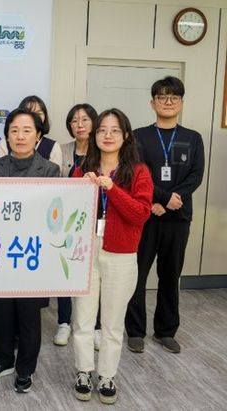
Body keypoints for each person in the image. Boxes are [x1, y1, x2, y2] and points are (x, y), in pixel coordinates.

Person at [72, 108, 153, 404]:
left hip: (121, 253)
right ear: (94, 135)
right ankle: (83, 371)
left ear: (126, 135)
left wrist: (112, 188)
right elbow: (69, 212)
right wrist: (81, 187)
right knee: (82, 318)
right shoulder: (84, 169)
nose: (107, 135)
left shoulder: (139, 171)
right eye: (102, 130)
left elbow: (140, 214)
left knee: (112, 321)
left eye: (114, 130)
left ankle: (107, 375)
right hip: (85, 251)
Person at [0, 108, 60, 394]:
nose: (20, 136)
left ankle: (26, 369)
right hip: (2, 251)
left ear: (38, 136)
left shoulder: (50, 170)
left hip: (32, 254)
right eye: (14, 130)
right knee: (2, 313)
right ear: (7, 136)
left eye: (27, 130)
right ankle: (3, 361)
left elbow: (53, 216)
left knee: (28, 316)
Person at [124, 76, 205, 354]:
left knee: (171, 275)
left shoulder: (192, 138)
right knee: (137, 275)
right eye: (162, 97)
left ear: (181, 103)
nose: (168, 102)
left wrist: (171, 200)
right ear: (152, 103)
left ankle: (166, 331)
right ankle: (135, 331)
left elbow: (196, 175)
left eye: (174, 97)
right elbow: (136, 172)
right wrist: (158, 199)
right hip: (145, 215)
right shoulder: (138, 136)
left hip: (178, 217)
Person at [54, 103, 99, 347]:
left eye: (84, 120)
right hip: (65, 221)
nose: (79, 125)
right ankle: (64, 322)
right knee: (64, 271)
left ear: (94, 122)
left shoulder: (102, 150)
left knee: (93, 274)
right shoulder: (61, 150)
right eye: (74, 121)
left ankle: (95, 325)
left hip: (93, 220)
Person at [0, 95, 62, 167]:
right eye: (28, 112)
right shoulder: (4, 144)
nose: (33, 116)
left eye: (39, 113)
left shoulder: (53, 147)